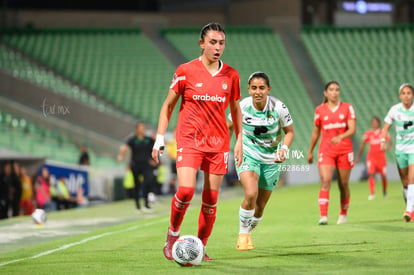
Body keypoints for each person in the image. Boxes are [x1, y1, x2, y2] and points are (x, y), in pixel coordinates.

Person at [151, 22, 243, 262]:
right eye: (213, 42)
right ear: (201, 44)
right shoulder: (185, 71)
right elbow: (168, 105)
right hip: (190, 140)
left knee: (211, 199)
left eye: (221, 43)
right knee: (186, 190)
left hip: (218, 144)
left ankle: (199, 248)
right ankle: (172, 236)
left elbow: (236, 110)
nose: (218, 47)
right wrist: (159, 138)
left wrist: (240, 140)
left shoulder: (231, 75)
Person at [227, 72, 294, 251]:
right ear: (248, 90)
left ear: (268, 89)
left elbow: (290, 132)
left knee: (260, 206)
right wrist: (229, 148)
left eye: (262, 88)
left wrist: (284, 149)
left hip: (272, 160)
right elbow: (229, 127)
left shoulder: (278, 107)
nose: (258, 92)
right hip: (248, 154)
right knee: (250, 194)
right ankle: (242, 234)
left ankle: (248, 232)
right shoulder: (241, 106)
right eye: (254, 88)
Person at [307, 81, 356, 225]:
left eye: (337, 90)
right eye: (331, 90)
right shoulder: (320, 110)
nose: (334, 92)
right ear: (325, 93)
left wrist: (341, 137)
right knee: (326, 180)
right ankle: (323, 216)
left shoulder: (347, 108)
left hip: (345, 150)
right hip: (326, 150)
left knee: (343, 184)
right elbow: (316, 132)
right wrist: (310, 151)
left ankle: (343, 214)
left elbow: (352, 129)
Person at [380, 83, 414, 222]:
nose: (406, 96)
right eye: (404, 93)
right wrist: (383, 141)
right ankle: (409, 204)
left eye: (409, 93)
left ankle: (409, 209)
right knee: (405, 182)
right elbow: (385, 128)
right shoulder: (395, 110)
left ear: (412, 95)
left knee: (412, 179)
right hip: (400, 150)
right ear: (400, 96)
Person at [118, 122, 156, 212]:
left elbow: (155, 148)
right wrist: (121, 156)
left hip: (146, 165)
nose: (143, 129)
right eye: (141, 127)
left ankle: (146, 204)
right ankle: (138, 206)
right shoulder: (133, 140)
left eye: (144, 127)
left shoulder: (148, 139)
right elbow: (124, 148)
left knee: (148, 182)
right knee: (136, 185)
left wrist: (154, 159)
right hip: (135, 164)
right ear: (137, 129)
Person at [355, 116, 392, 200]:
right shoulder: (368, 133)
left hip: (381, 157)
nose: (374, 124)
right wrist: (357, 156)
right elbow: (363, 145)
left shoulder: (383, 132)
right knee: (371, 174)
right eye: (373, 122)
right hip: (371, 157)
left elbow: (390, 142)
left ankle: (385, 191)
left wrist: (388, 147)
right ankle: (372, 193)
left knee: (383, 176)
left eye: (376, 122)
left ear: (379, 123)